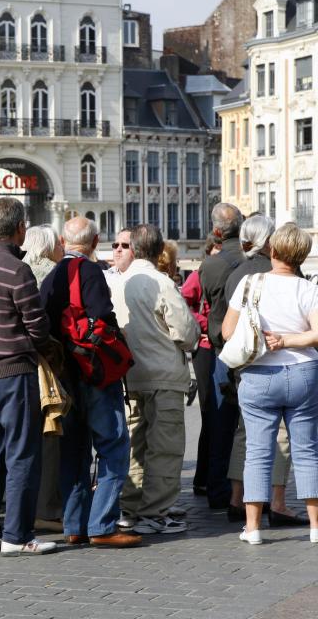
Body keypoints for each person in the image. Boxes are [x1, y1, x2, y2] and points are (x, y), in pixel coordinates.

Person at [0, 197, 57, 556]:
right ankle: (16, 535)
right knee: (21, 454)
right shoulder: (17, 270)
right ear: (20, 229)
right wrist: (43, 344)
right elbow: (36, 323)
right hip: (14, 369)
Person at [40, 216, 141, 548]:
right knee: (113, 446)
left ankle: (74, 523)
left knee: (74, 451)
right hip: (94, 374)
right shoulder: (91, 272)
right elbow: (102, 316)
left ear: (62, 242)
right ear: (95, 241)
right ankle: (103, 523)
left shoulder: (51, 277)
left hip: (63, 376)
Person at [221, 223, 318, 545]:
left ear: (272, 250)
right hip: (303, 371)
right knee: (307, 451)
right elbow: (316, 334)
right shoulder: (308, 289)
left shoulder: (251, 283)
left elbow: (226, 332)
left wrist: (269, 339)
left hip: (260, 375)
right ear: (302, 255)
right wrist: (289, 340)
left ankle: (253, 528)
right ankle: (316, 527)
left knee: (258, 452)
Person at [111, 224, 199, 534]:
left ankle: (130, 505)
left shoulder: (119, 283)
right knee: (165, 446)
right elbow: (186, 331)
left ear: (133, 248)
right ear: (159, 249)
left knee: (135, 444)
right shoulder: (161, 282)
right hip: (163, 374)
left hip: (131, 375)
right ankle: (155, 512)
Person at [199, 203, 244, 509]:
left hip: (221, 350)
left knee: (219, 423)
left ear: (215, 230)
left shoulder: (210, 265)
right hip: (254, 349)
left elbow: (207, 303)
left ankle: (217, 489)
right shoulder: (252, 261)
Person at [22, 224, 64, 529]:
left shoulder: (15, 268)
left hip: (15, 363)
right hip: (49, 364)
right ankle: (49, 506)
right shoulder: (55, 272)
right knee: (51, 433)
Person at [181, 233, 221, 498]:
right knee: (209, 413)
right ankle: (203, 477)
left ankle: (212, 475)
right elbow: (184, 302)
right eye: (217, 250)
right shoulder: (200, 273)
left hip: (221, 346)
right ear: (210, 251)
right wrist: (202, 324)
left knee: (219, 415)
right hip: (206, 348)